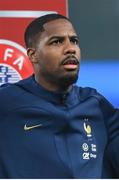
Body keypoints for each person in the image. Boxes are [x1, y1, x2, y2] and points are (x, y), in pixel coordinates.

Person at [0, 13, 118, 178]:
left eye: (74, 41)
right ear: (33, 55)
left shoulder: (96, 104)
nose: (70, 48)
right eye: (57, 41)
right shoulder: (7, 102)